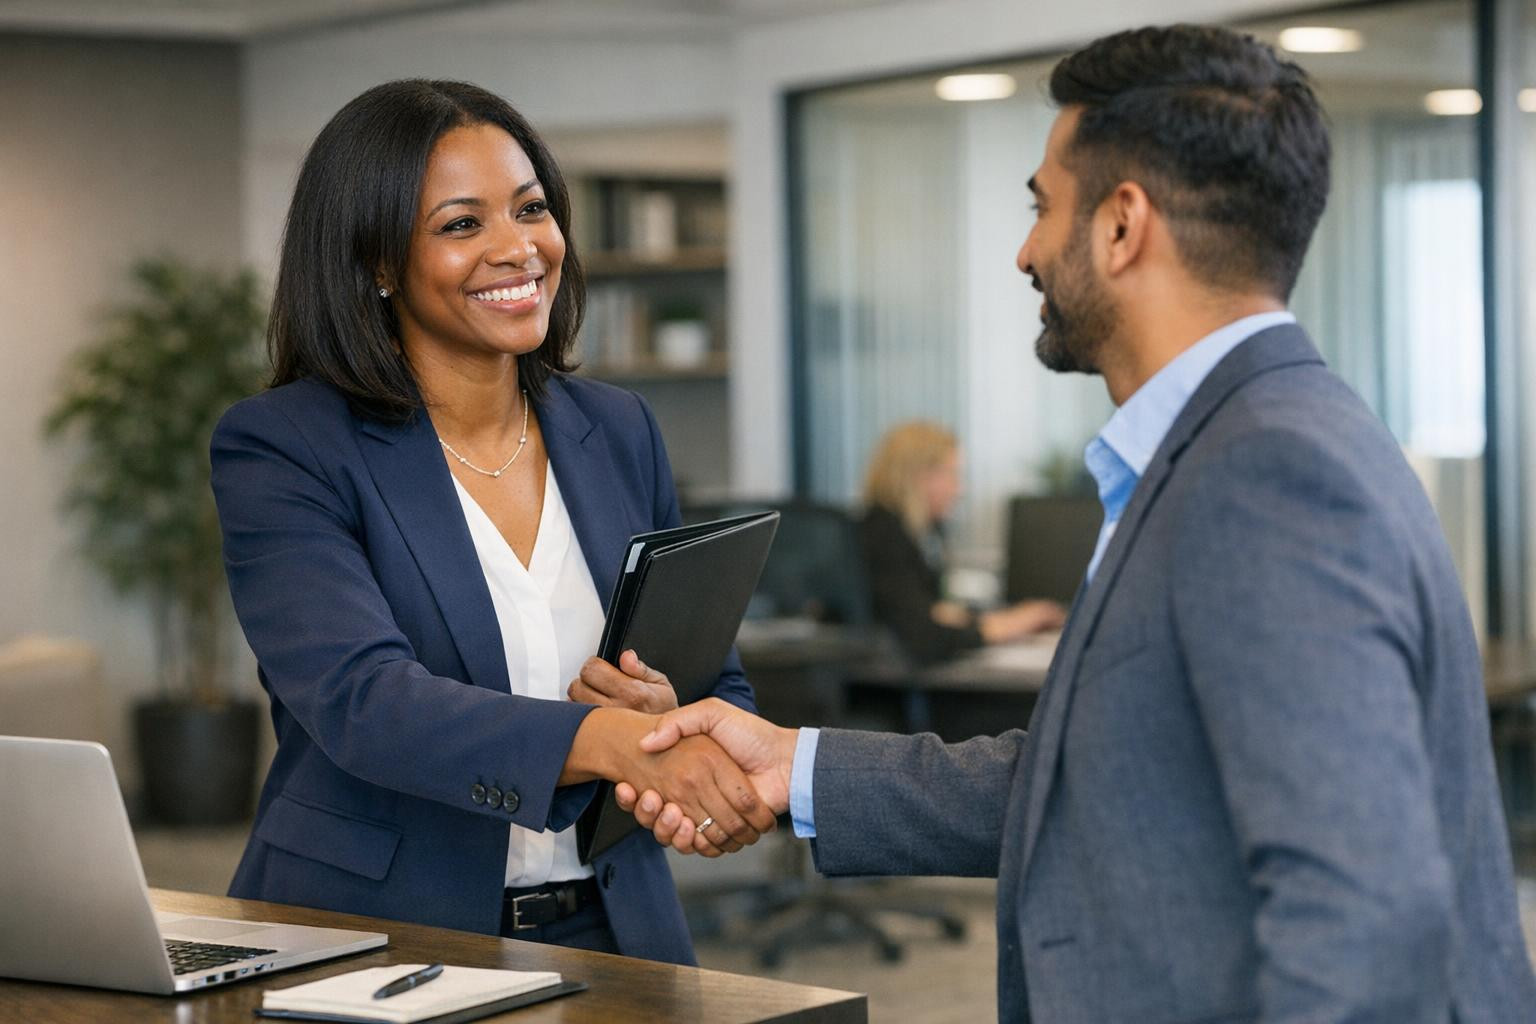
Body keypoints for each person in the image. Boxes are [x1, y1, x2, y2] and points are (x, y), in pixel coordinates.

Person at [616, 24, 1536, 1021]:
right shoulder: (1234, 442)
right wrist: (791, 764)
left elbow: (1365, 924)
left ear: (1121, 224)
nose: (1025, 248)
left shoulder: (1265, 473)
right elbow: (1098, 785)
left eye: (1041, 205)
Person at [209, 79, 774, 965]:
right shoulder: (284, 446)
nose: (519, 250)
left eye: (532, 209)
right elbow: (365, 703)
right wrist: (609, 741)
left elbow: (718, 685)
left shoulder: (617, 427)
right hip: (373, 936)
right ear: (379, 262)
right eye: (463, 224)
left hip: (614, 928)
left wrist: (669, 718)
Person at [859, 420, 1065, 664]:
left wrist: (985, 619)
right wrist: (999, 628)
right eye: (951, 474)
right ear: (919, 476)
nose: (958, 489)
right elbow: (922, 637)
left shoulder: (908, 533)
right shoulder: (884, 537)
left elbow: (924, 611)